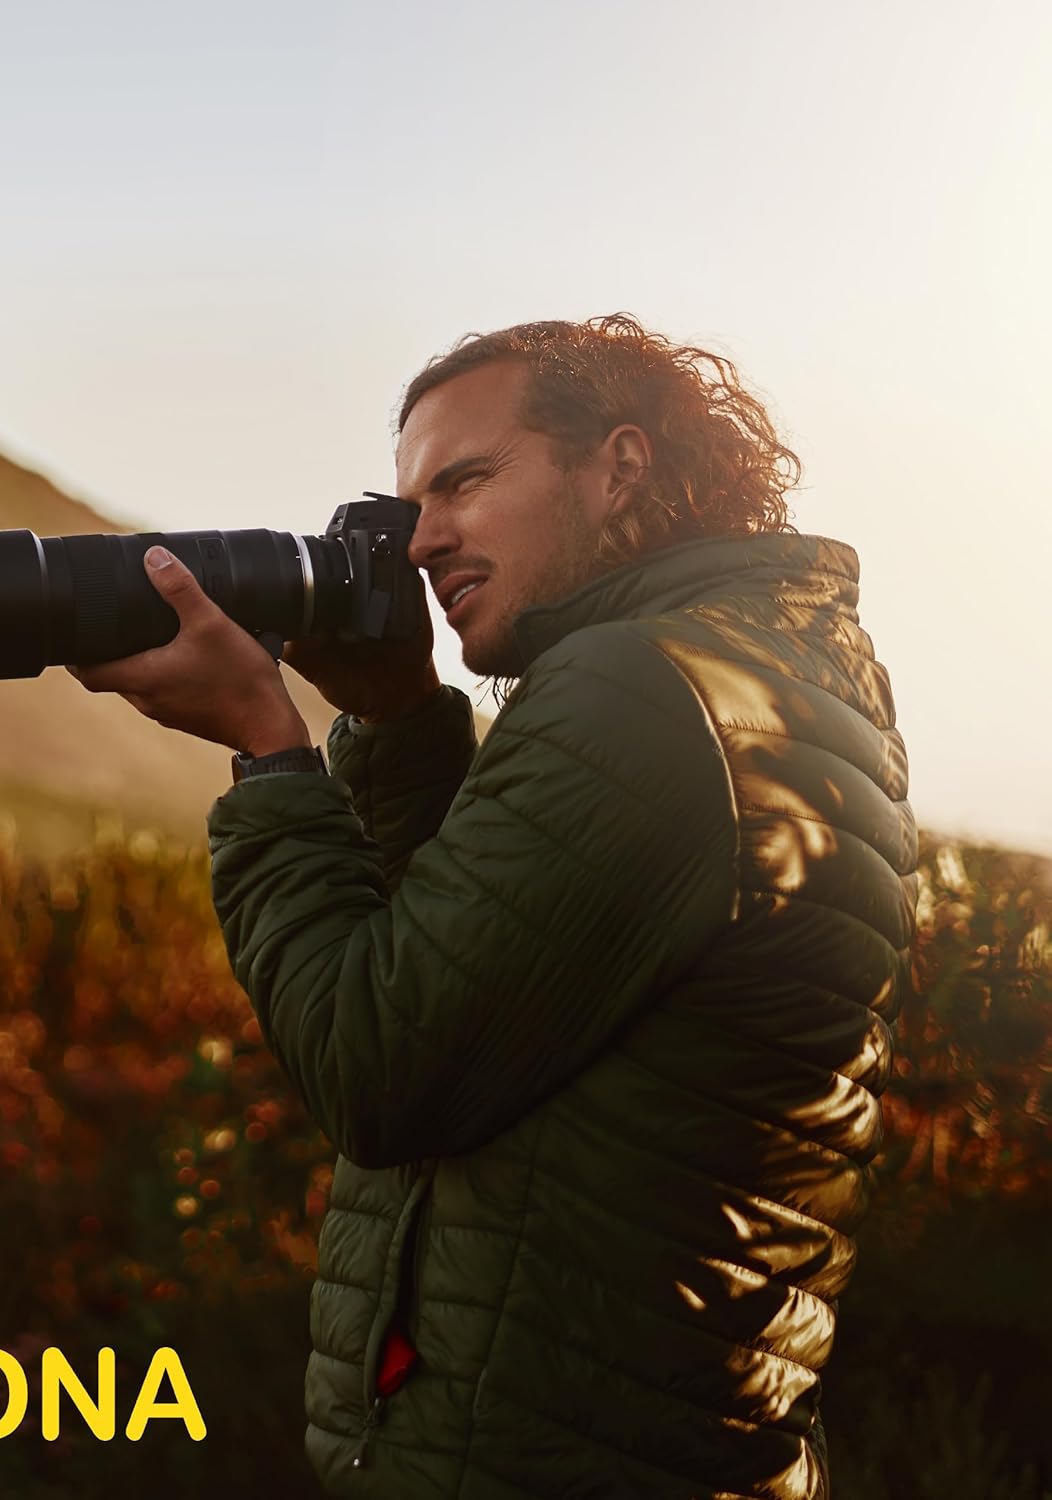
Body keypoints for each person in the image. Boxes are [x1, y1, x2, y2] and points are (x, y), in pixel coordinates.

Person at [68, 314, 917, 1499]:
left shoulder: (637, 692)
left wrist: (269, 750)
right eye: (410, 504)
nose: (422, 541)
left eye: (465, 483)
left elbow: (378, 1062)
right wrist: (403, 722)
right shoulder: (760, 677)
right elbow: (488, 984)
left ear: (619, 467)